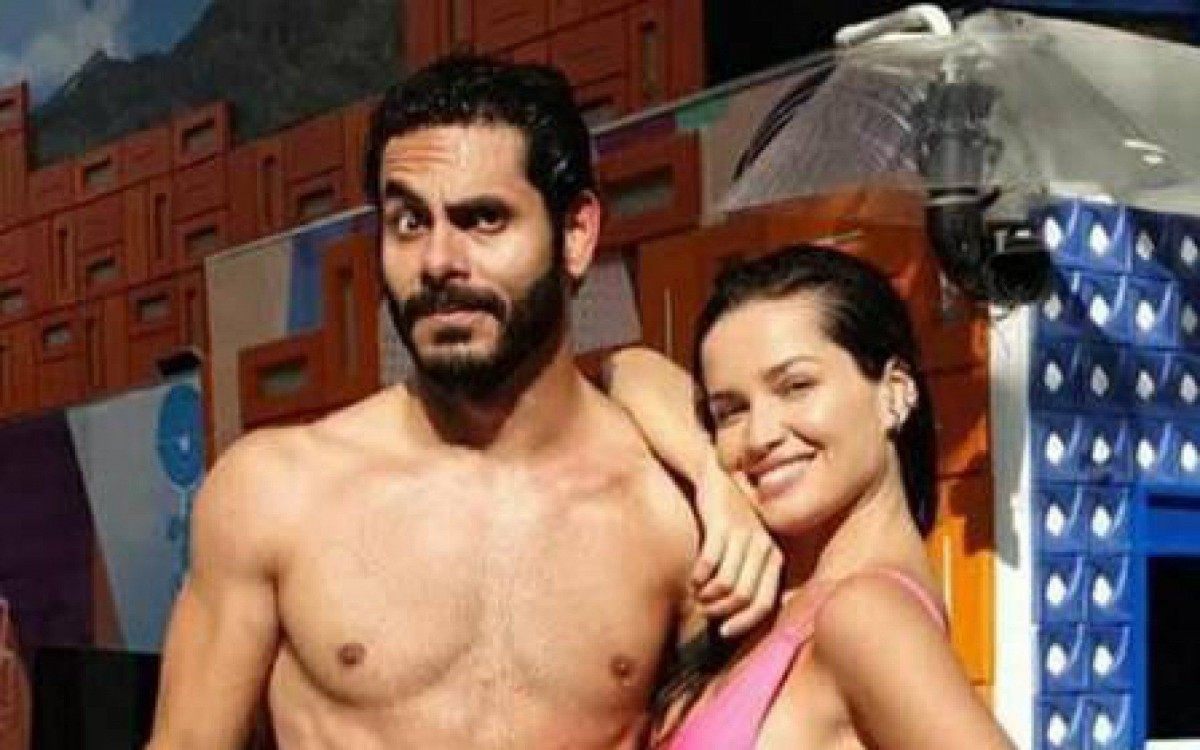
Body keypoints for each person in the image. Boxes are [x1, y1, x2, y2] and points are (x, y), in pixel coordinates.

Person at [146, 55, 778, 749]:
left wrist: (711, 468)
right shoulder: (276, 493)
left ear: (575, 233)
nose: (438, 261)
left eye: (483, 219)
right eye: (408, 222)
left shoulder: (676, 511)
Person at [606, 245, 1015, 749]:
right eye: (730, 411)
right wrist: (712, 479)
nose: (760, 436)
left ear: (894, 392)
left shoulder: (866, 617)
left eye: (796, 386)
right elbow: (626, 368)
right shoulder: (778, 600)